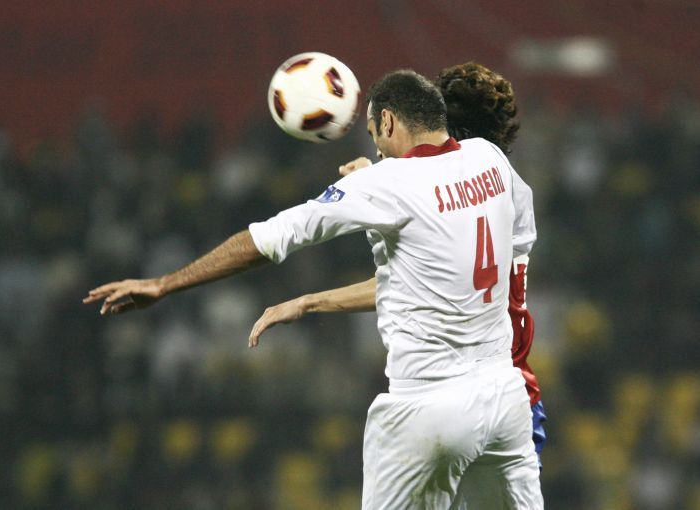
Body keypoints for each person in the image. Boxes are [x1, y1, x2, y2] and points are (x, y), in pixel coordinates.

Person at [84, 70, 543, 508]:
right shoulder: (491, 161)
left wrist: (165, 284)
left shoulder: (384, 183)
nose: (376, 148)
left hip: (427, 407)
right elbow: (461, 261)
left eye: (374, 134)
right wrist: (312, 300)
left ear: (387, 121)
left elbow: (269, 239)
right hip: (503, 400)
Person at [248, 62, 548, 472]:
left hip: (479, 395)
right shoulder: (497, 182)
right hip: (510, 399)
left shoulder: (476, 183)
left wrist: (378, 183)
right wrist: (310, 301)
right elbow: (417, 271)